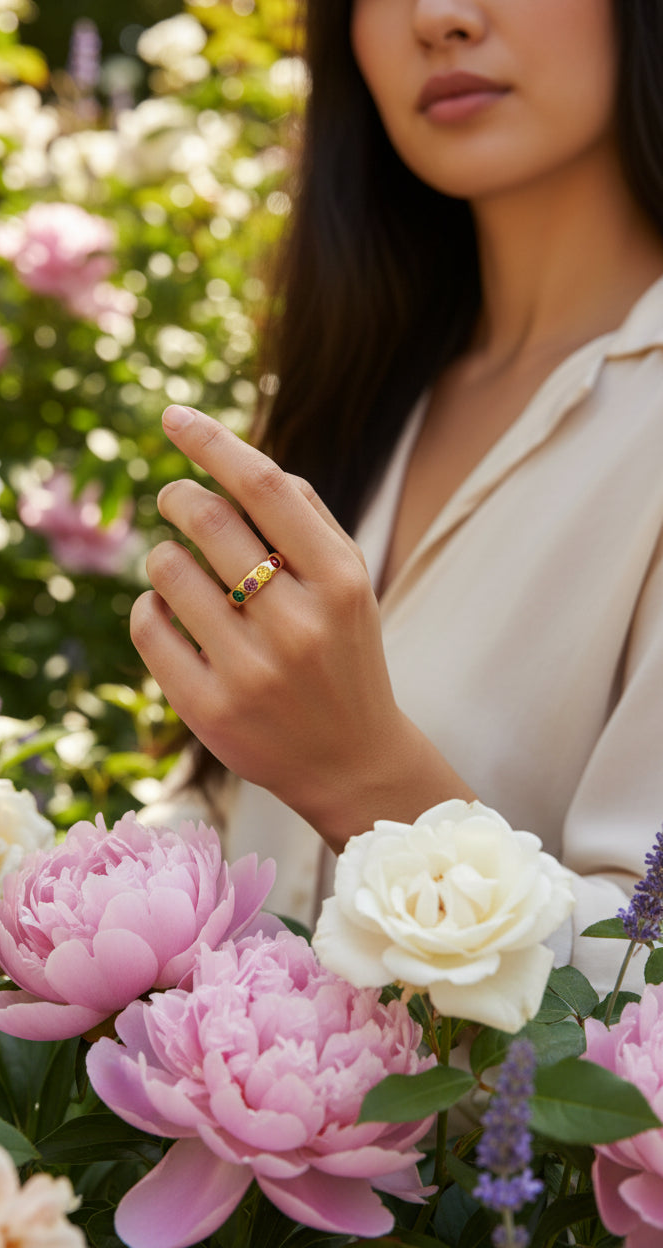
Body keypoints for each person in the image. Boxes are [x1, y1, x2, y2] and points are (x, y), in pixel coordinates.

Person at [130, 0, 663, 994]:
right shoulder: (369, 387)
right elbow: (223, 818)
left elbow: (643, 1007)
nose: (439, 18)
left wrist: (364, 777)